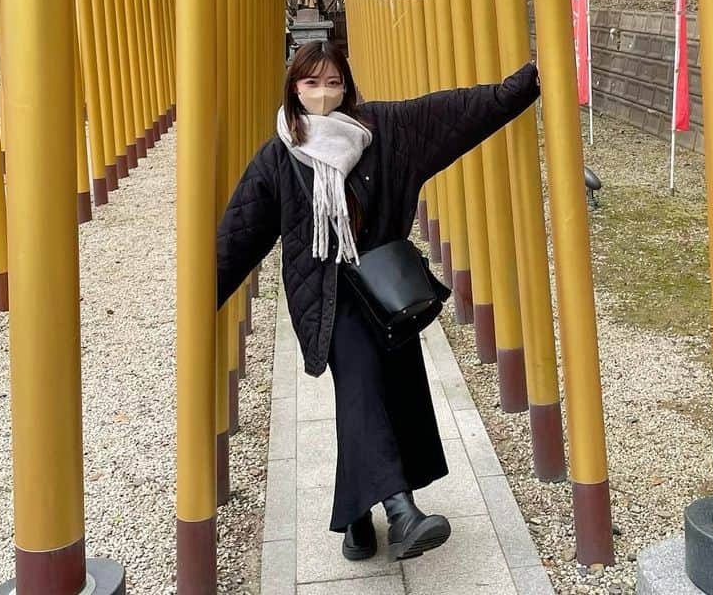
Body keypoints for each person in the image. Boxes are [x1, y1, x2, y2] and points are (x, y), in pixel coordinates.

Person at [216, 38, 540, 562]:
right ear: (293, 88)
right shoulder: (279, 155)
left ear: (347, 86)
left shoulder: (381, 131)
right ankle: (400, 510)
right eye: (311, 83)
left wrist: (526, 82)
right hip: (328, 296)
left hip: (385, 289)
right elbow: (241, 234)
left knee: (385, 393)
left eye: (332, 83)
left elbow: (457, 113)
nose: (322, 94)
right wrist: (196, 303)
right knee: (362, 388)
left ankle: (355, 519)